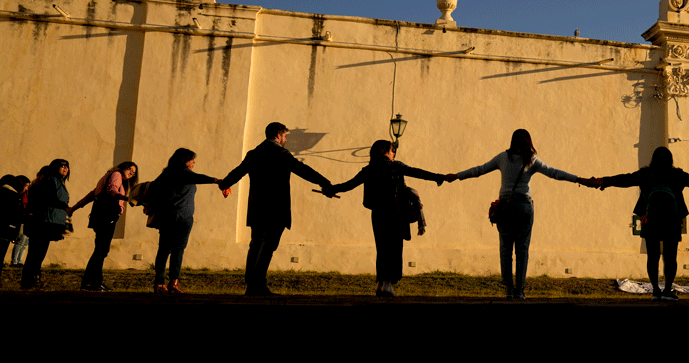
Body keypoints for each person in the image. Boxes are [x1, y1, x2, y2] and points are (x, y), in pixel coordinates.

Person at [448, 129, 595, 299]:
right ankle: (520, 290)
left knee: (505, 249)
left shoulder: (502, 158)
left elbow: (479, 170)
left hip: (505, 208)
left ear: (513, 141)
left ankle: (508, 290)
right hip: (524, 207)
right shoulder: (531, 160)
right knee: (522, 249)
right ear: (528, 142)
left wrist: (457, 176)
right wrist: (579, 179)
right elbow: (555, 173)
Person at [597, 146, 689, 301]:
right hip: (672, 221)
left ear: (653, 159)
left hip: (650, 220)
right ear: (670, 160)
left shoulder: (645, 174)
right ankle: (668, 290)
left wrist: (604, 181)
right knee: (670, 257)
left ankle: (656, 290)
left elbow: (624, 179)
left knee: (653, 256)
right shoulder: (677, 175)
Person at [324, 140, 446, 297]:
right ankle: (387, 284)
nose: (394, 153)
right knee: (394, 249)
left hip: (377, 214)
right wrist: (438, 177)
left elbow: (349, 184)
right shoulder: (395, 166)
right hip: (395, 213)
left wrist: (331, 189)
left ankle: (381, 284)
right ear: (385, 152)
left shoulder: (369, 169)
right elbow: (417, 172)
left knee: (382, 248)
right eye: (392, 150)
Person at [221, 122, 331, 296]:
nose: (286, 140)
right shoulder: (281, 154)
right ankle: (258, 284)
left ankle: (251, 285)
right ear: (278, 136)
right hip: (275, 209)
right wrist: (324, 182)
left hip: (256, 208)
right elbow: (303, 170)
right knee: (268, 246)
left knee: (255, 244)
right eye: (285, 136)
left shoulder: (253, 154)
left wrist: (224, 184)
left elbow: (237, 172)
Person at [147, 148, 223, 295]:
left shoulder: (166, 174)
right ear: (184, 160)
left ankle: (159, 283)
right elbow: (198, 178)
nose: (193, 162)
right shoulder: (183, 172)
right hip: (182, 217)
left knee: (163, 250)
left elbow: (153, 188)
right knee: (178, 250)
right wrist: (216, 180)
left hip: (166, 216)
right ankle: (174, 282)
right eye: (191, 159)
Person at [68, 161, 138, 291]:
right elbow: (112, 190)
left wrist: (74, 208)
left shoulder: (108, 176)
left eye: (134, 173)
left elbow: (92, 195)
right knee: (101, 251)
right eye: (130, 169)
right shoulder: (116, 175)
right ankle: (91, 282)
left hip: (100, 217)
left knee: (100, 250)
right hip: (107, 216)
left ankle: (92, 281)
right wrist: (127, 199)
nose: (131, 173)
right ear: (123, 167)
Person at [21, 159, 72, 290]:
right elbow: (48, 198)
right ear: (55, 168)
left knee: (38, 253)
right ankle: (29, 281)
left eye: (67, 166)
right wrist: (63, 205)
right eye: (62, 166)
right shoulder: (51, 180)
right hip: (44, 222)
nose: (65, 168)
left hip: (48, 221)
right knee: (36, 253)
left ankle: (33, 280)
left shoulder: (56, 181)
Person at [1, 175, 29, 270]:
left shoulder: (10, 194)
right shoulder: (12, 195)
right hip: (6, 230)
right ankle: (15, 261)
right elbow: (16, 214)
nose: (26, 189)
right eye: (26, 186)